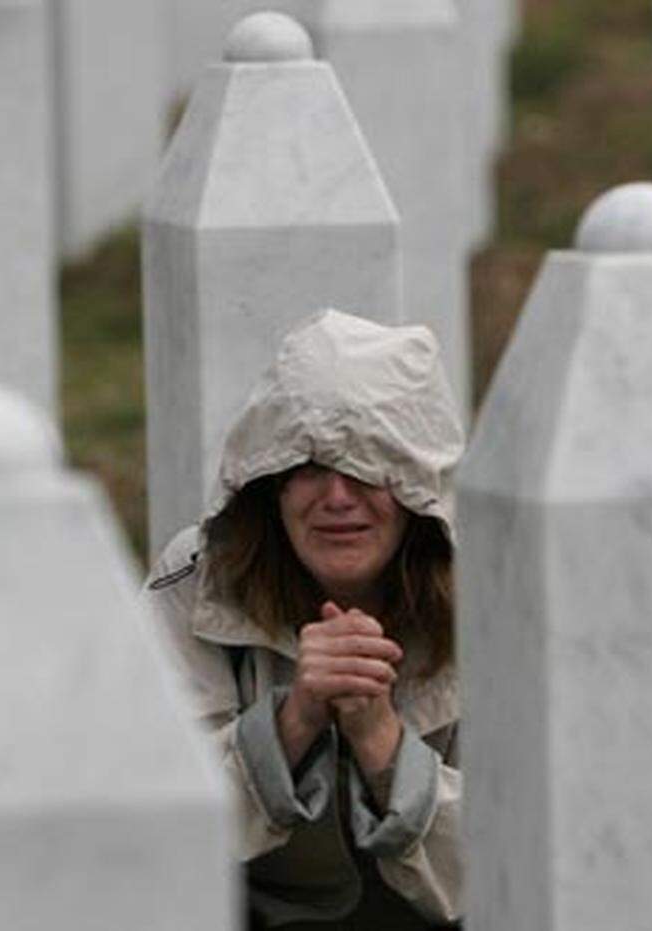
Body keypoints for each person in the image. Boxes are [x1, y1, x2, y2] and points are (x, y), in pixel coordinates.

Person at [143, 310, 465, 929]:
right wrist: (292, 723)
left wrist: (381, 741)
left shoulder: (493, 590)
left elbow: (525, 849)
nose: (337, 498)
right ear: (271, 486)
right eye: (309, 468)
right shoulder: (197, 579)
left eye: (369, 467)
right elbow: (146, 824)